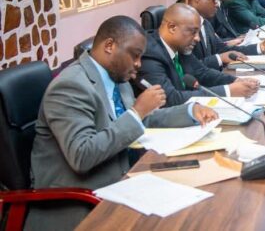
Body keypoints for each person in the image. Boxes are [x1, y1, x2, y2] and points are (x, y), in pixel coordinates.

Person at [27, 16, 218, 231]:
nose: (138, 64)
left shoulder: (116, 76)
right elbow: (82, 154)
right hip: (78, 202)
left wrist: (190, 111)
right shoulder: (71, 86)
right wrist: (137, 112)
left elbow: (141, 119)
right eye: (134, 55)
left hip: (124, 179)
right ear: (109, 46)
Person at [137, 3, 260, 106]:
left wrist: (236, 80)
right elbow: (170, 99)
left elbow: (202, 72)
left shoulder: (179, 46)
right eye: (193, 32)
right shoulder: (148, 55)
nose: (197, 38)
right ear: (172, 27)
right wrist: (227, 91)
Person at [170, 0, 265, 70]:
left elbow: (221, 48)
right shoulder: (182, 28)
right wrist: (219, 58)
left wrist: (259, 47)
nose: (217, 4)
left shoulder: (205, 23)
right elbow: (190, 68)